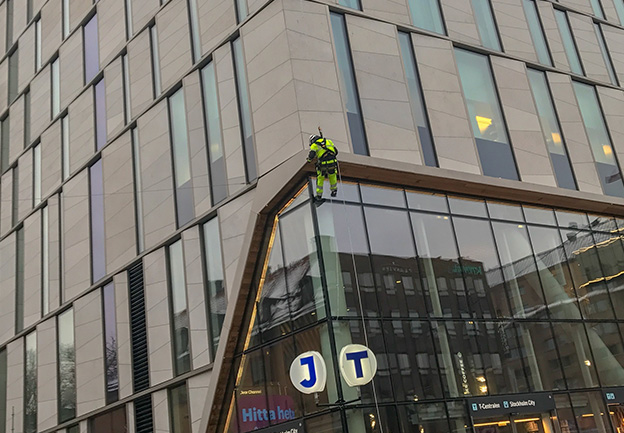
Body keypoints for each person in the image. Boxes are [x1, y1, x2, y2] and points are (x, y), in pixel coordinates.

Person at [307, 133, 338, 200]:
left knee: (320, 177)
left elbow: (312, 154)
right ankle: (334, 190)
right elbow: (336, 151)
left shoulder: (314, 145)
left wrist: (309, 160)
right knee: (332, 175)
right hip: (333, 163)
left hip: (323, 164)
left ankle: (319, 195)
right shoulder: (329, 141)